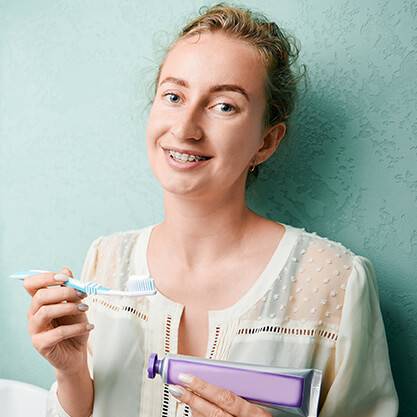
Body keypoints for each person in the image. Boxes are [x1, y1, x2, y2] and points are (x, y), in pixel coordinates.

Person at [23, 3, 398, 417]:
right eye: (173, 96)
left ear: (267, 142)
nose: (184, 129)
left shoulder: (335, 283)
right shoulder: (105, 262)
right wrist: (72, 373)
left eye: (224, 106)